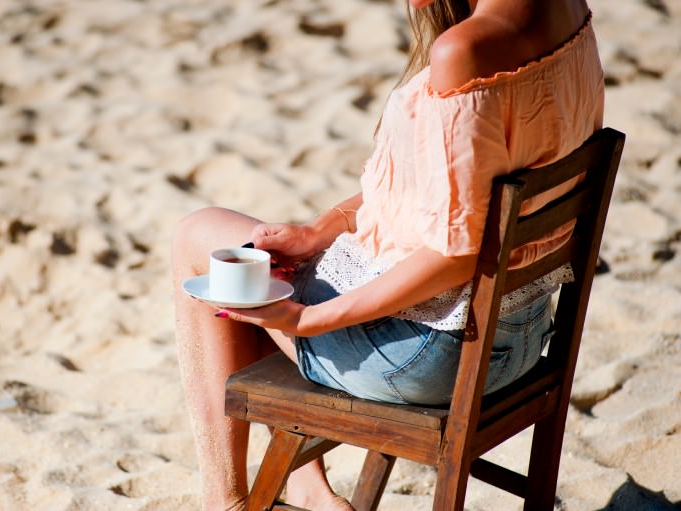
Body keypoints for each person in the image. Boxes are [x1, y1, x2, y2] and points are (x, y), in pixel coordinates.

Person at [171, 0, 603, 509]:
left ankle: (224, 500)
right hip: (523, 339)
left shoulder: (463, 51)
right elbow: (461, 200)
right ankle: (309, 488)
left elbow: (456, 254)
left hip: (434, 355)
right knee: (263, 266)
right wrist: (318, 231)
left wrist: (308, 319)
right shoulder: (567, 9)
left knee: (198, 240)